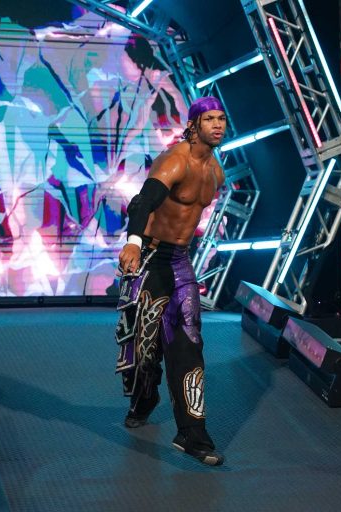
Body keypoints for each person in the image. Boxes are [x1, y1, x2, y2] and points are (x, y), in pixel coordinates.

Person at [114, 96, 226, 466]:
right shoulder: (175, 160)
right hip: (149, 257)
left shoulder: (216, 171)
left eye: (221, 119)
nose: (217, 125)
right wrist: (133, 242)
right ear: (193, 124)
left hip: (179, 262)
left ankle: (192, 434)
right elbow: (143, 202)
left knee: (188, 342)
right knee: (143, 353)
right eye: (209, 119)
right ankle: (145, 398)